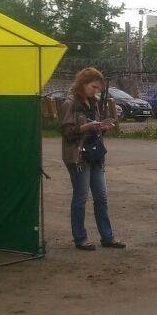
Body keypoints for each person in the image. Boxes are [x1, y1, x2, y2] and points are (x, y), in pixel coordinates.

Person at [59, 68, 124, 251]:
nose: (95, 91)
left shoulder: (93, 102)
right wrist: (85, 127)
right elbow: (66, 133)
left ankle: (107, 237)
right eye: (93, 87)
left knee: (101, 197)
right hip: (78, 156)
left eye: (98, 88)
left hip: (95, 154)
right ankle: (80, 239)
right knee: (81, 197)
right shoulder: (70, 103)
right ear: (83, 83)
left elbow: (94, 128)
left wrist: (102, 127)